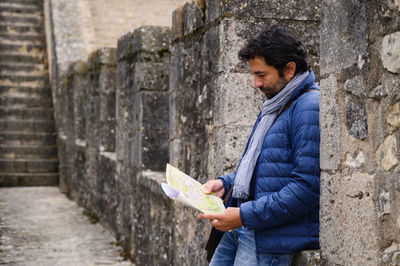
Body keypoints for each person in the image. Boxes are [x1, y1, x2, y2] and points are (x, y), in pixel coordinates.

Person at [198, 25, 320, 266]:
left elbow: (306, 188)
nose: (255, 83)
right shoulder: (277, 104)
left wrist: (243, 216)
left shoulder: (309, 107)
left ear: (289, 69)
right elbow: (267, 169)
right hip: (244, 227)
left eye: (262, 75)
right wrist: (227, 183)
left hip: (270, 238)